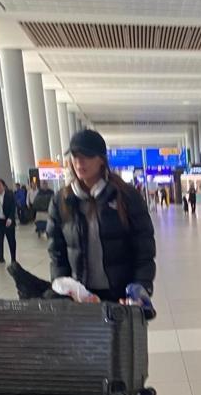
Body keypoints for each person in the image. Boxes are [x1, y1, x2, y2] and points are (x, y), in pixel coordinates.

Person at [47, 129, 156, 301]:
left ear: (101, 159)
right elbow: (57, 253)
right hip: (80, 296)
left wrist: (140, 288)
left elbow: (144, 249)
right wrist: (63, 287)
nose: (79, 162)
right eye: (75, 156)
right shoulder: (61, 201)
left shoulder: (126, 197)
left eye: (86, 156)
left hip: (121, 295)